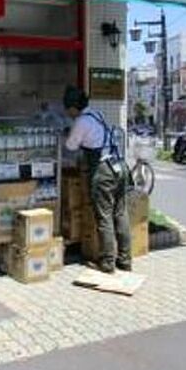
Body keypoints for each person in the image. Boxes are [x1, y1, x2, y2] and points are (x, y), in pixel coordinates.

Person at [63, 86, 131, 273]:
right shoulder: (97, 114)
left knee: (104, 217)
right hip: (120, 166)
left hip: (104, 171)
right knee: (120, 213)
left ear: (73, 108)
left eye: (68, 109)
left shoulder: (81, 121)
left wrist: (67, 134)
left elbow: (71, 146)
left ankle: (108, 262)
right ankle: (125, 260)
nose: (67, 113)